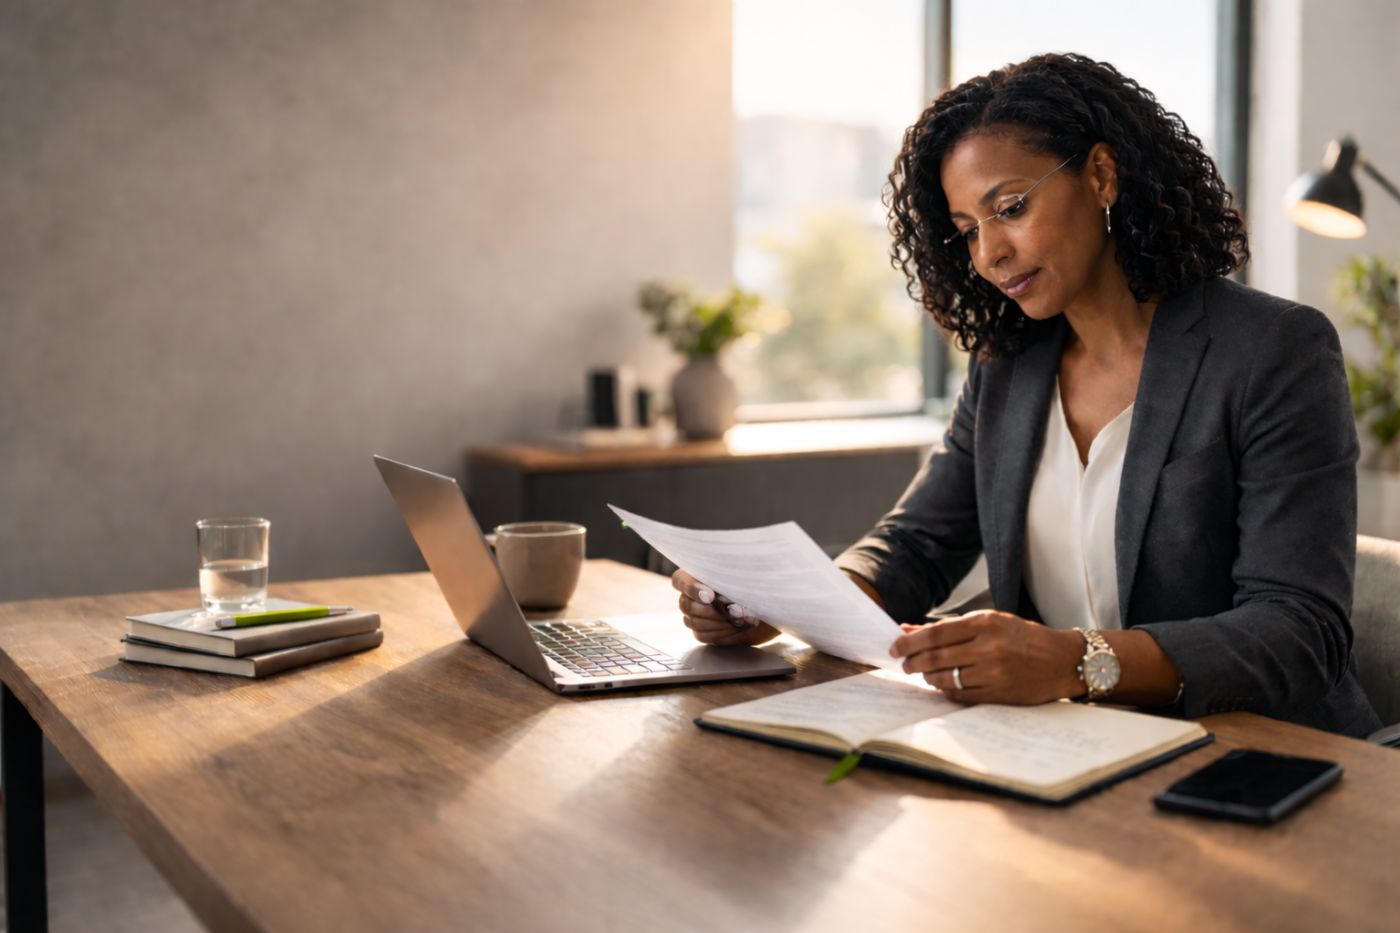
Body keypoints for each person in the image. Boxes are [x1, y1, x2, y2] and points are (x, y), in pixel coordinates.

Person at [673, 53, 1382, 738]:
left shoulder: (1271, 350)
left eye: (1009, 207)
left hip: (1258, 758)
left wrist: (1076, 661)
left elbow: (1298, 630)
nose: (988, 254)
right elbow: (918, 542)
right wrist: (782, 602)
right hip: (1070, 748)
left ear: (1102, 175)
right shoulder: (1008, 365)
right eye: (966, 232)